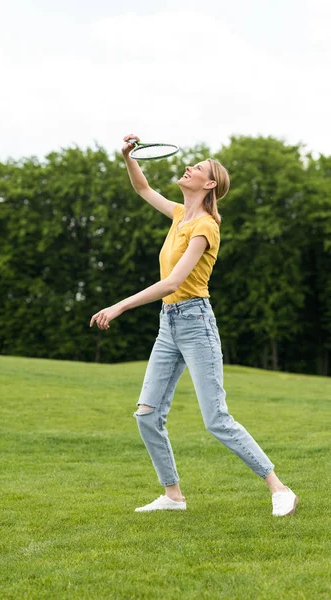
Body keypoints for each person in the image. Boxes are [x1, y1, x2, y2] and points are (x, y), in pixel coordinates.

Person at [90, 133, 298, 517]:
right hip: (168, 324)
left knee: (216, 419)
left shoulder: (205, 227)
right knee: (147, 414)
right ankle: (173, 495)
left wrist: (119, 306)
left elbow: (173, 282)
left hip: (196, 322)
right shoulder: (177, 215)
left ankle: (279, 488)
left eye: (197, 168)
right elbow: (142, 187)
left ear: (210, 184)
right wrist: (127, 157)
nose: (188, 168)